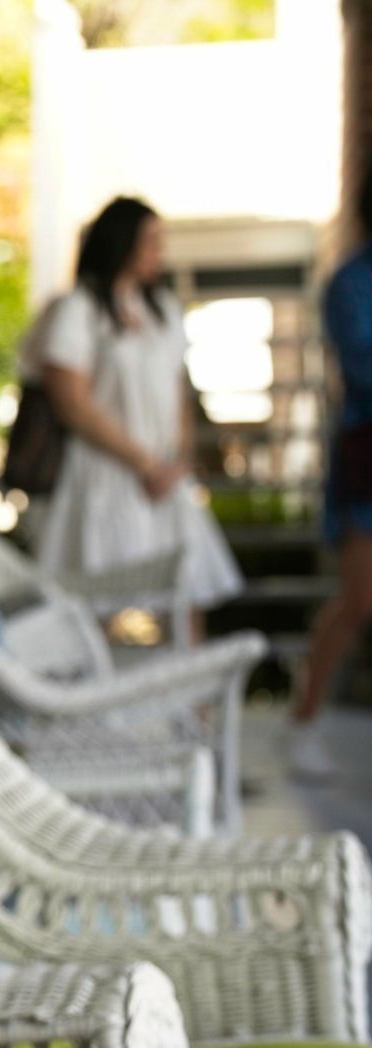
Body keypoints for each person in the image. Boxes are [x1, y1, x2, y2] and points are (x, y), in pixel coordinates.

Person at [23, 196, 242, 639]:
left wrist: (177, 460)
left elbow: (179, 391)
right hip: (102, 478)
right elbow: (72, 403)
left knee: (187, 597)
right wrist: (144, 463)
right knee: (93, 603)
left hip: (162, 480)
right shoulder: (77, 310)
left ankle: (194, 705)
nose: (158, 253)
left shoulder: (161, 310)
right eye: (150, 242)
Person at [287, 168, 372, 782]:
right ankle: (304, 721)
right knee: (360, 598)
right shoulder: (350, 280)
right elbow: (362, 363)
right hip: (368, 461)